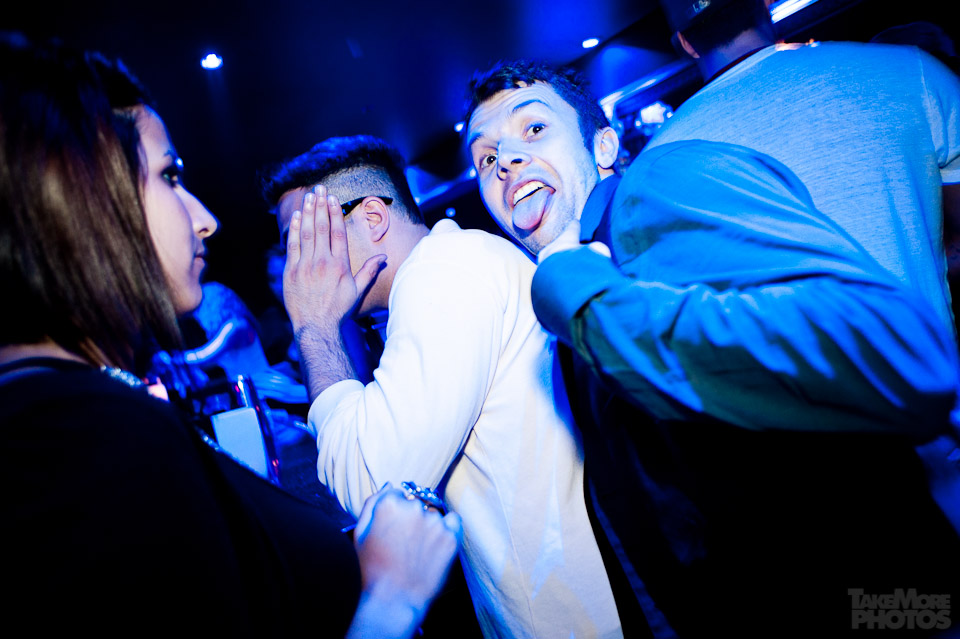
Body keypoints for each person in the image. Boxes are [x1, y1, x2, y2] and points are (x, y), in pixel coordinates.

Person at [463, 58, 960, 637]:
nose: (507, 160)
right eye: (487, 158)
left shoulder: (652, 190)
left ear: (604, 147)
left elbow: (899, 350)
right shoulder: (568, 316)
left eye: (533, 129)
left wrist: (589, 303)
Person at [0, 33, 461, 638]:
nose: (206, 220)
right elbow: (369, 483)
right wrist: (388, 599)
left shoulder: (75, 411)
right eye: (170, 176)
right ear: (82, 195)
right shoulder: (75, 433)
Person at [260, 136, 622, 638]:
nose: (295, 269)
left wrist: (314, 326)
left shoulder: (445, 273)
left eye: (304, 239)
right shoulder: (442, 271)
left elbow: (373, 492)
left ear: (372, 217)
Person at [647, 0, 960, 540]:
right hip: (940, 415)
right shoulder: (910, 71)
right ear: (764, 6)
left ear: (686, 44)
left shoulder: (661, 161)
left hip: (810, 473)